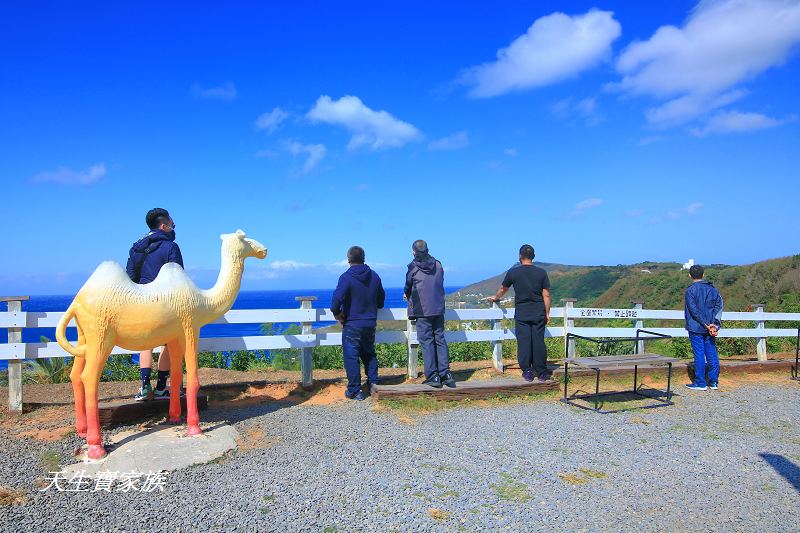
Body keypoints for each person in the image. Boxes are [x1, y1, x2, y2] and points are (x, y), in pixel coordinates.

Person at [125, 208, 184, 401]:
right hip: (164, 303)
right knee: (168, 343)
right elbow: (178, 277)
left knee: (146, 344)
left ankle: (144, 387)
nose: (174, 226)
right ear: (163, 225)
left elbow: (130, 277)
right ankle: (160, 388)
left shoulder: (136, 248)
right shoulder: (170, 247)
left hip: (141, 301)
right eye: (172, 223)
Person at [488, 244, 551, 383]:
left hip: (522, 313)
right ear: (533, 257)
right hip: (538, 312)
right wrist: (547, 313)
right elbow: (546, 295)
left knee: (524, 342)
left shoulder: (513, 272)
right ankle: (541, 372)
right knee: (538, 341)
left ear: (520, 256)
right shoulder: (541, 273)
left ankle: (527, 371)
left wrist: (496, 298)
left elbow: (503, 289)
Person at [331, 246, 386, 401]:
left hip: (352, 324)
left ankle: (355, 391)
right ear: (363, 258)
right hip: (369, 323)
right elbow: (381, 300)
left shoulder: (346, 277)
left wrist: (337, 314)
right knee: (369, 354)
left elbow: (335, 302)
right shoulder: (374, 276)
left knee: (351, 356)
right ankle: (374, 384)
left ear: (348, 260)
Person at [404, 240, 454, 388]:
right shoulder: (438, 265)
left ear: (414, 252)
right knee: (439, 339)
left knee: (426, 342)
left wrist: (407, 295)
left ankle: (433, 376)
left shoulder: (413, 267)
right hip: (438, 308)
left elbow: (408, 286)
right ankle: (445, 374)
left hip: (422, 310)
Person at [684, 264, 723, 391]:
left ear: (690, 275)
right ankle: (713, 381)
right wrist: (714, 325)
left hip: (696, 327)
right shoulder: (713, 290)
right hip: (711, 327)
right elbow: (719, 306)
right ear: (703, 274)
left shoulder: (690, 291)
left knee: (699, 353)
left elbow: (693, 310)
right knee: (711, 352)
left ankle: (700, 382)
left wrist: (705, 324)